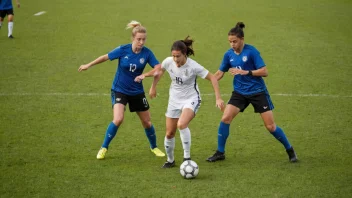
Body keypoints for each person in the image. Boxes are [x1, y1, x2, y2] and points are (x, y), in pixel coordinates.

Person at [206, 22, 298, 163]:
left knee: (270, 126)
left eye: (235, 41)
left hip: (258, 92)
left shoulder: (252, 52)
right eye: (230, 42)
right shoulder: (228, 55)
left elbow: (264, 71)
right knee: (225, 118)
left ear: (242, 39)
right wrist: (210, 78)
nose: (232, 44)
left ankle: (289, 149)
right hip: (239, 93)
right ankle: (220, 152)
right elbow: (219, 73)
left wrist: (245, 72)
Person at [78, 20, 165, 159]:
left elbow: (158, 68)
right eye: (138, 39)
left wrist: (146, 77)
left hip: (137, 91)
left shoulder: (147, 53)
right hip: (120, 89)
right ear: (133, 38)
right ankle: (103, 147)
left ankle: (154, 147)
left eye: (144, 39)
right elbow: (105, 57)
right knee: (118, 119)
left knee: (147, 122)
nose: (141, 42)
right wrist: (88, 65)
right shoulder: (123, 49)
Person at [135, 36, 224, 168]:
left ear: (184, 54)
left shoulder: (193, 66)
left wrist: (218, 98)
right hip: (174, 100)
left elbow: (213, 78)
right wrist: (151, 83)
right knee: (169, 133)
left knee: (182, 124)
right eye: (173, 56)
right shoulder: (168, 61)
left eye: (178, 56)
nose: (175, 59)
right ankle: (170, 160)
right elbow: (158, 71)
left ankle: (187, 158)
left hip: (191, 99)